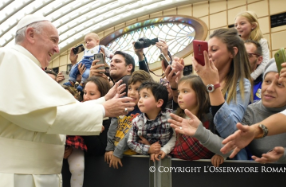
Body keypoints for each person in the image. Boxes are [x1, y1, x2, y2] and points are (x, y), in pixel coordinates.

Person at [0, 14, 135, 187]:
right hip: (18, 177)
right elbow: (41, 116)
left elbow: (56, 108)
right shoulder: (9, 58)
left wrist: (103, 101)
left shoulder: (27, 65)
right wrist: (103, 109)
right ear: (31, 34)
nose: (57, 49)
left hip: (38, 174)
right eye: (53, 40)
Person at [220, 56, 286, 159]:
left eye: (280, 84)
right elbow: (232, 142)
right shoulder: (251, 112)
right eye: (267, 81)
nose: (270, 89)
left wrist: (284, 154)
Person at [191, 28, 252, 160]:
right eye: (207, 51)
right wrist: (174, 85)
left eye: (214, 50)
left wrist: (212, 86)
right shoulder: (202, 82)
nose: (209, 55)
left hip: (230, 162)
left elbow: (231, 131)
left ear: (232, 52)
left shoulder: (242, 85)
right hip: (199, 158)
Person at [168, 75, 223, 164]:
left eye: (185, 91)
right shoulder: (175, 117)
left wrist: (220, 154)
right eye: (179, 92)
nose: (179, 96)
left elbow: (219, 142)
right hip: (177, 167)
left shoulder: (210, 119)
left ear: (199, 94)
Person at [105, 70, 153, 169]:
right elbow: (112, 128)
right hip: (115, 154)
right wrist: (109, 148)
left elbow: (131, 134)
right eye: (130, 88)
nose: (132, 93)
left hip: (136, 157)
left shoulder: (145, 112)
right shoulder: (122, 107)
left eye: (137, 89)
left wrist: (117, 152)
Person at [127, 82, 176, 160]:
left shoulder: (171, 116)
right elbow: (131, 142)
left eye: (145, 96)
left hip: (170, 159)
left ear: (159, 103)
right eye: (140, 96)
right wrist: (148, 149)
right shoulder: (137, 121)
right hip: (146, 161)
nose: (140, 100)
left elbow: (176, 137)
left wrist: (164, 150)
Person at [235, 11, 270, 80]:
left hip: (258, 78)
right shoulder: (237, 44)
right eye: (236, 25)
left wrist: (251, 77)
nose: (238, 27)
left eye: (242, 23)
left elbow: (265, 62)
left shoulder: (262, 41)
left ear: (253, 25)